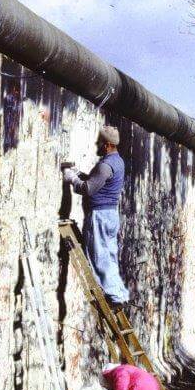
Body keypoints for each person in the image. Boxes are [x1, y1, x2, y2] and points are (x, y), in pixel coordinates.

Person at [62, 126, 129, 307]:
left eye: (99, 142)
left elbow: (88, 188)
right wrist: (79, 173)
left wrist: (72, 179)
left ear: (107, 145)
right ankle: (120, 294)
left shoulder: (105, 165)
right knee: (110, 255)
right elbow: (99, 181)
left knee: (98, 256)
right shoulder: (118, 162)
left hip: (100, 215)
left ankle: (114, 297)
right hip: (111, 215)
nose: (96, 145)